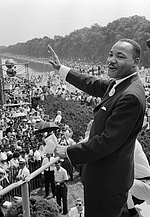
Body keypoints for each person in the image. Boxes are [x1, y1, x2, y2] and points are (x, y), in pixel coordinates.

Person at [48, 39, 146, 217]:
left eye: (120, 56)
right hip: (105, 178)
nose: (111, 60)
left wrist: (69, 151)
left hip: (107, 183)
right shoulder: (121, 83)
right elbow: (91, 84)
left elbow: (107, 141)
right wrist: (61, 69)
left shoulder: (130, 96)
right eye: (110, 54)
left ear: (136, 62)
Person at [127, 139, 150, 217]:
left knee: (122, 183)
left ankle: (132, 211)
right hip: (141, 183)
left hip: (145, 182)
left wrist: (132, 211)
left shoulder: (129, 141)